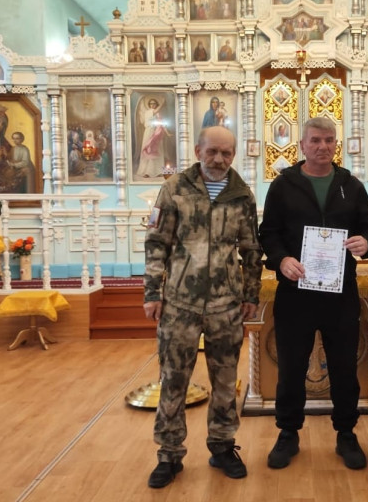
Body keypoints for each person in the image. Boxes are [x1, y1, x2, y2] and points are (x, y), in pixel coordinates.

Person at [143, 126, 262, 489]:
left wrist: (251, 295)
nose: (219, 159)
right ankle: (169, 454)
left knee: (225, 380)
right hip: (180, 303)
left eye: (226, 153)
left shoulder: (242, 194)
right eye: (212, 151)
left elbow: (251, 250)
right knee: (173, 380)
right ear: (198, 150)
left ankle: (222, 446)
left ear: (233, 155)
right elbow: (156, 242)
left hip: (226, 304)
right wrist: (152, 292)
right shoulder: (174, 188)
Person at [259, 117, 368, 471]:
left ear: (335, 144)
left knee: (344, 366)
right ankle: (288, 433)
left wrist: (366, 243)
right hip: (295, 293)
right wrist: (281, 260)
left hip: (340, 294)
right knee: (291, 367)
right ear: (302, 145)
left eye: (328, 140)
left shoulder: (351, 186)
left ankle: (346, 433)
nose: (322, 146)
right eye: (315, 140)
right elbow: (268, 233)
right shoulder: (283, 186)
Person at [136, 97, 169, 179]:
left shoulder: (158, 114)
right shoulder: (148, 112)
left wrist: (167, 132)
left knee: (158, 151)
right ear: (149, 105)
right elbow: (156, 111)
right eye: (151, 103)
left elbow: (161, 124)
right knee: (149, 150)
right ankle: (147, 172)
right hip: (149, 132)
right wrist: (162, 104)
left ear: (156, 104)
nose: (152, 105)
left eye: (154, 103)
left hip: (157, 133)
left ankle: (158, 171)